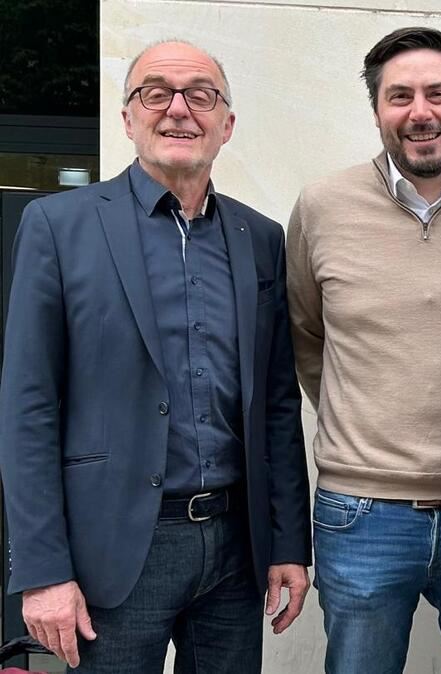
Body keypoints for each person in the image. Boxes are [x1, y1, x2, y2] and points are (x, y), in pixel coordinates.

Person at [0, 40, 311, 673]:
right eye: (155, 92)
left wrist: (288, 543)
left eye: (201, 95)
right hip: (112, 553)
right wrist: (42, 571)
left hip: (234, 548)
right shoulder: (58, 226)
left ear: (226, 124)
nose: (178, 110)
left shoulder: (261, 238)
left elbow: (276, 403)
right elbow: (28, 407)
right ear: (126, 117)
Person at [286, 27, 441, 674]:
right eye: (400, 96)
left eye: (437, 94)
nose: (420, 112)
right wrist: (365, 419)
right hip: (360, 513)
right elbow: (309, 336)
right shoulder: (321, 208)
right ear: (377, 111)